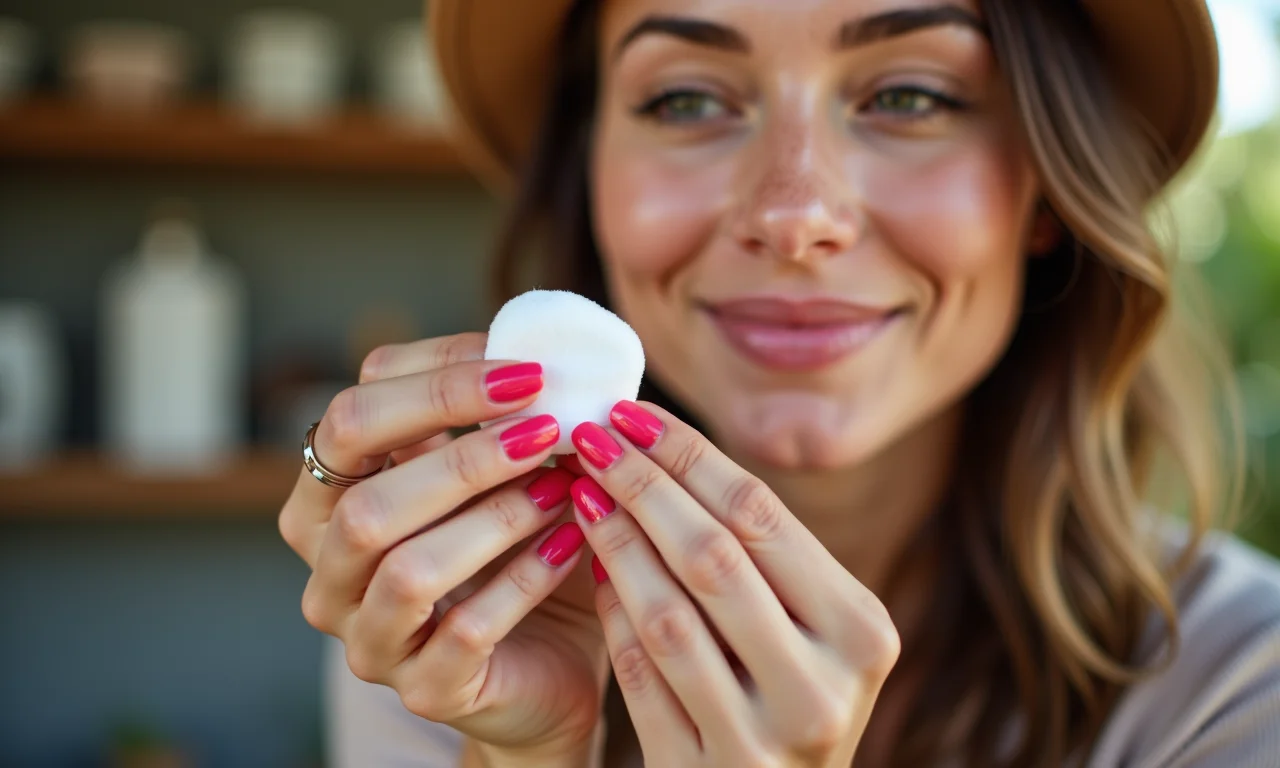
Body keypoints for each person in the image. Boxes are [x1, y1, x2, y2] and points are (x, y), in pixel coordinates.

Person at [277, 0, 1280, 765]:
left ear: (1044, 192)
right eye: (686, 99)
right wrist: (522, 755)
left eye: (908, 96)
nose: (793, 213)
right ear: (589, 185)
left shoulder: (1241, 681)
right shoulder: (459, 620)